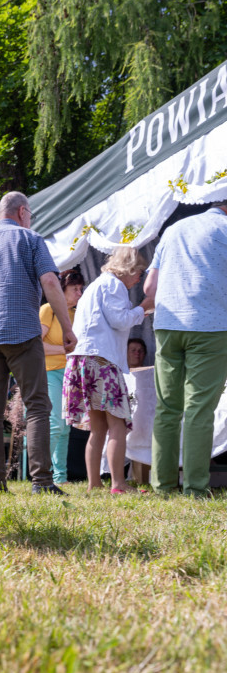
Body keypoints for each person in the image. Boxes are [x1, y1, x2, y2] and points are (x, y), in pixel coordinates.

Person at [0, 190, 77, 495]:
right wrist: (66, 326)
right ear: (22, 212)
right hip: (22, 330)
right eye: (30, 214)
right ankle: (43, 482)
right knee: (37, 405)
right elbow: (50, 281)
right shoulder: (31, 239)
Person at [144, 201, 227, 497]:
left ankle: (163, 487)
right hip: (211, 326)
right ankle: (195, 489)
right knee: (199, 410)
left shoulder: (172, 230)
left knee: (167, 408)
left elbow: (148, 288)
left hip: (168, 323)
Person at [63, 247, 154, 494]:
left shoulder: (95, 286)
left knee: (98, 427)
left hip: (84, 360)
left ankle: (94, 484)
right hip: (101, 360)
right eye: (139, 272)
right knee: (118, 424)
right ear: (129, 268)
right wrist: (143, 308)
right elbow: (121, 320)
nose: (139, 279)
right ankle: (118, 484)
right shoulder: (114, 285)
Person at [40, 269, 85, 484]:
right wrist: (66, 350)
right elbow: (36, 346)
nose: (80, 293)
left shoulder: (79, 314)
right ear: (61, 290)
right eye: (75, 289)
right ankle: (42, 475)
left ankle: (60, 477)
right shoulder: (48, 310)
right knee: (56, 424)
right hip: (49, 372)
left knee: (65, 427)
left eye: (81, 289)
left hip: (70, 374)